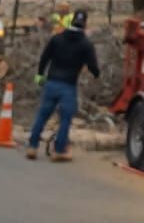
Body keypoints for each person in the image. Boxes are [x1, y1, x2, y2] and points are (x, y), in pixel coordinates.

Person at [26, 9, 99, 162]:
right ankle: (59, 151)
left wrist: (40, 74)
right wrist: (96, 73)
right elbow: (93, 66)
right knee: (65, 119)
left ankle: (32, 147)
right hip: (68, 86)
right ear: (85, 24)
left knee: (43, 114)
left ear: (71, 21)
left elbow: (45, 57)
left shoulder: (57, 38)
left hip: (51, 82)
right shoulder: (86, 44)